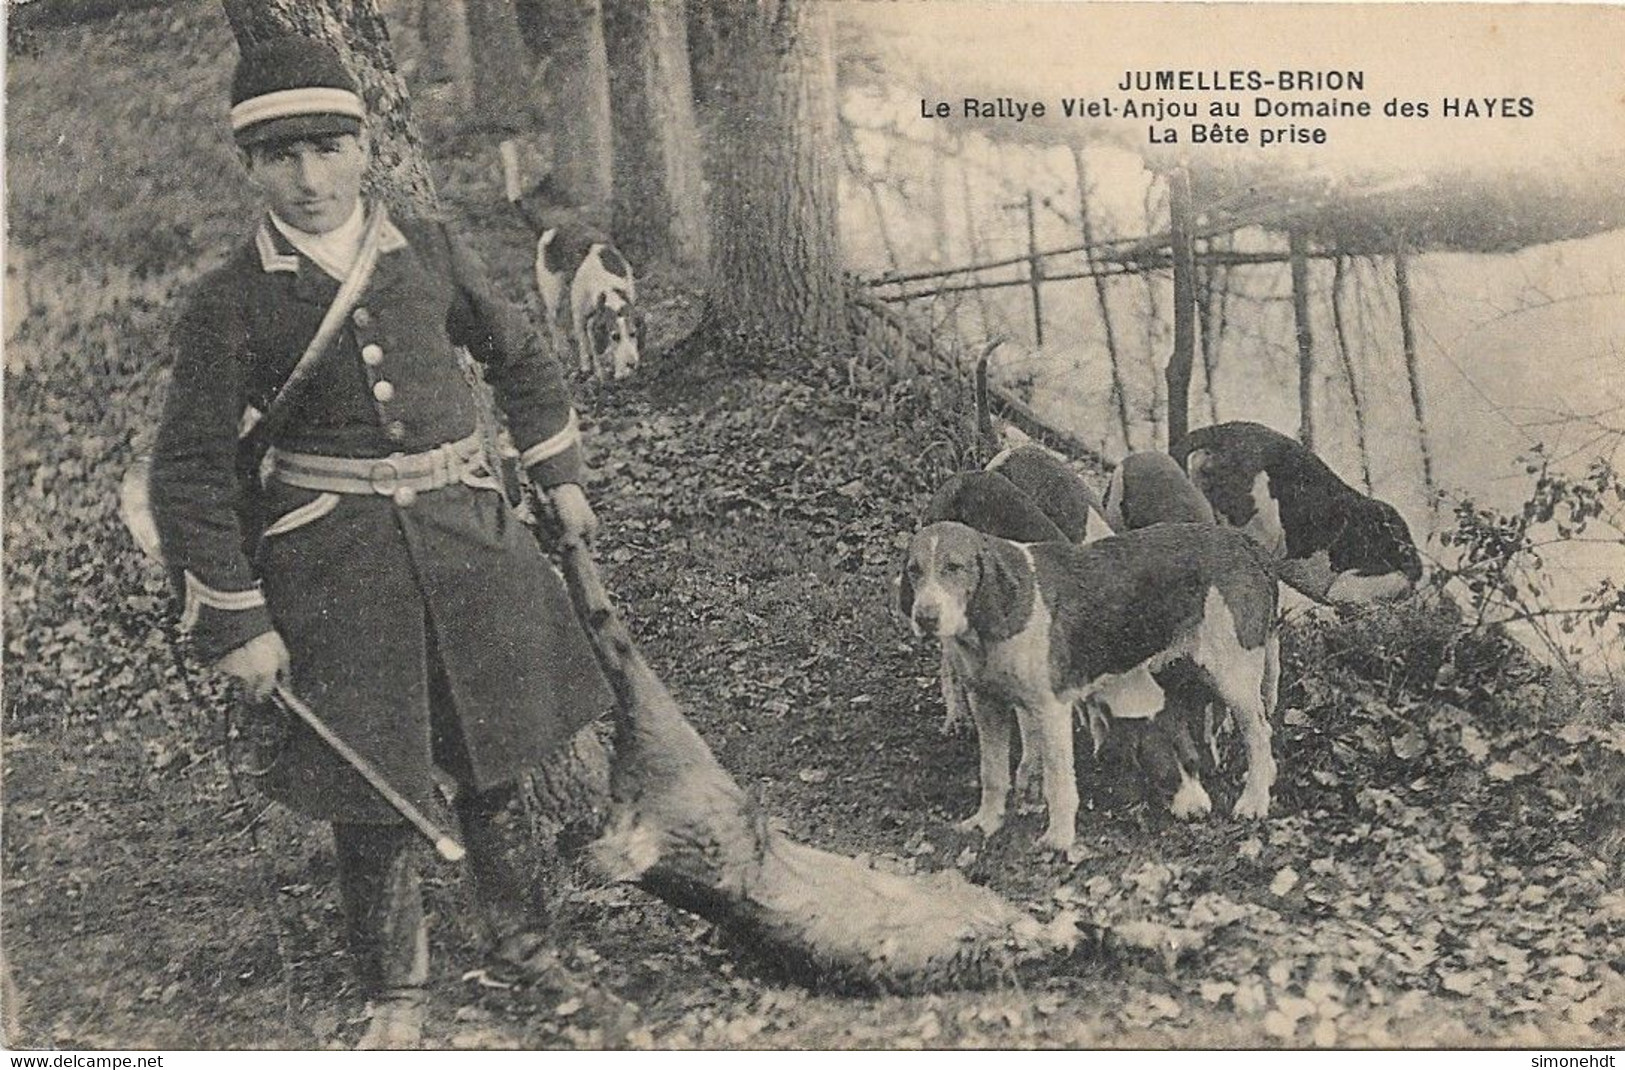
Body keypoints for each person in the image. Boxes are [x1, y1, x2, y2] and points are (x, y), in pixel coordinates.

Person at [148, 36, 610, 1049]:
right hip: (333, 572)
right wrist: (238, 617)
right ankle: (394, 992)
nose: (308, 179)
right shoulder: (228, 299)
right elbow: (185, 474)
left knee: (492, 757)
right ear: (251, 167)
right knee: (372, 788)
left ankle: (527, 946)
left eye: (326, 148)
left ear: (364, 148)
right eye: (281, 157)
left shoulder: (429, 252)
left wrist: (559, 475)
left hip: (465, 546)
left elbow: (521, 360)